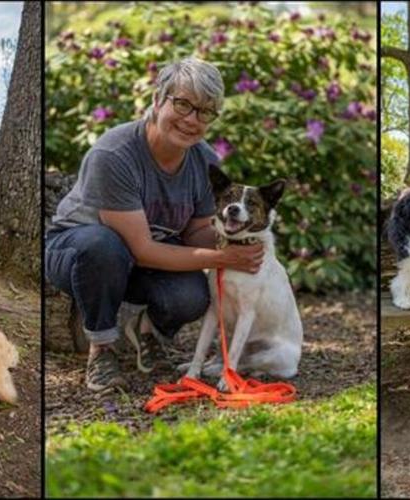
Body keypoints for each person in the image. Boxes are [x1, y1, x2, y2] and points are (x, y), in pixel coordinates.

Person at [44, 57, 264, 392]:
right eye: (183, 104)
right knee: (103, 247)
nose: (192, 120)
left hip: (139, 259)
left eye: (204, 112)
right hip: (77, 252)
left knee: (191, 295)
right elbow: (142, 249)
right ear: (157, 100)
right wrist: (223, 259)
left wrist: (240, 239)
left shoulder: (204, 160)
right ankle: (101, 349)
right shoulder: (115, 154)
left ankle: (147, 330)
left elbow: (195, 233)